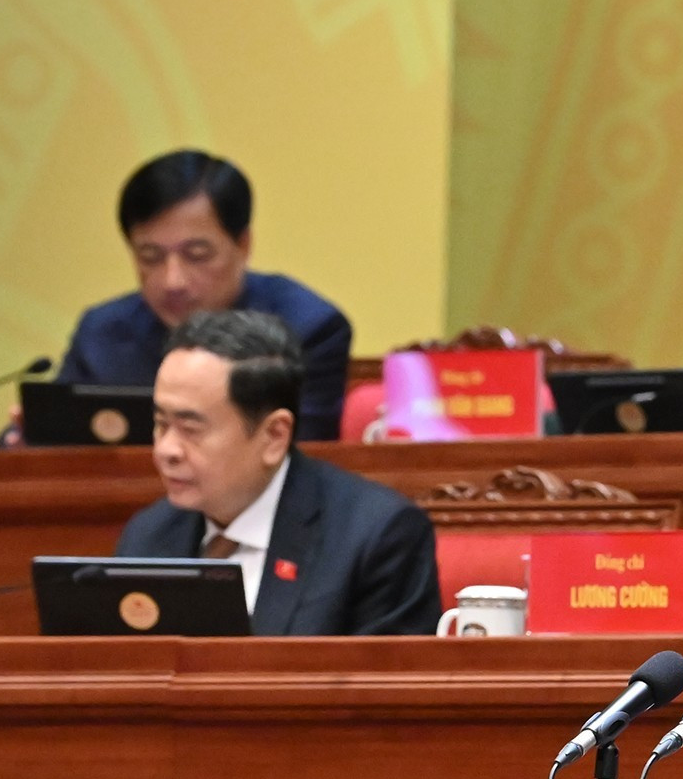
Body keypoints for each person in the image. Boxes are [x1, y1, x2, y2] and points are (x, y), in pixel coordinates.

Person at [117, 310, 439, 635]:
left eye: (190, 429)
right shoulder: (149, 535)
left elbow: (383, 683)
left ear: (274, 436)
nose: (166, 450)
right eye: (160, 424)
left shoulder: (377, 537)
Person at [40, 150, 352, 441]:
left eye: (197, 255)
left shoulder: (309, 329)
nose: (172, 280)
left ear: (243, 244)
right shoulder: (102, 333)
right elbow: (45, 440)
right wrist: (24, 437)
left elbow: (305, 458)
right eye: (150, 257)